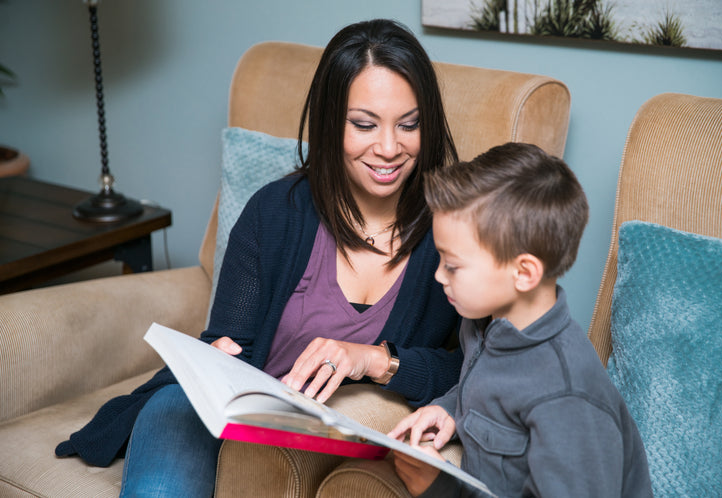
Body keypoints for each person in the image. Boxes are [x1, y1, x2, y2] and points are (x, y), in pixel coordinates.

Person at [55, 19, 464, 497]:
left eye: (409, 124)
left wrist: (377, 361)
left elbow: (475, 369)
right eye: (364, 125)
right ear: (332, 123)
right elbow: (229, 339)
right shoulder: (276, 211)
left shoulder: (453, 233)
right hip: (214, 409)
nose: (390, 148)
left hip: (311, 435)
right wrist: (215, 355)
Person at [388, 143, 653, 497]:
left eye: (451, 265)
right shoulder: (484, 323)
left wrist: (443, 491)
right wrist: (451, 410)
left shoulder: (566, 397)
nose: (438, 275)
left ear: (524, 272)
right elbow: (488, 390)